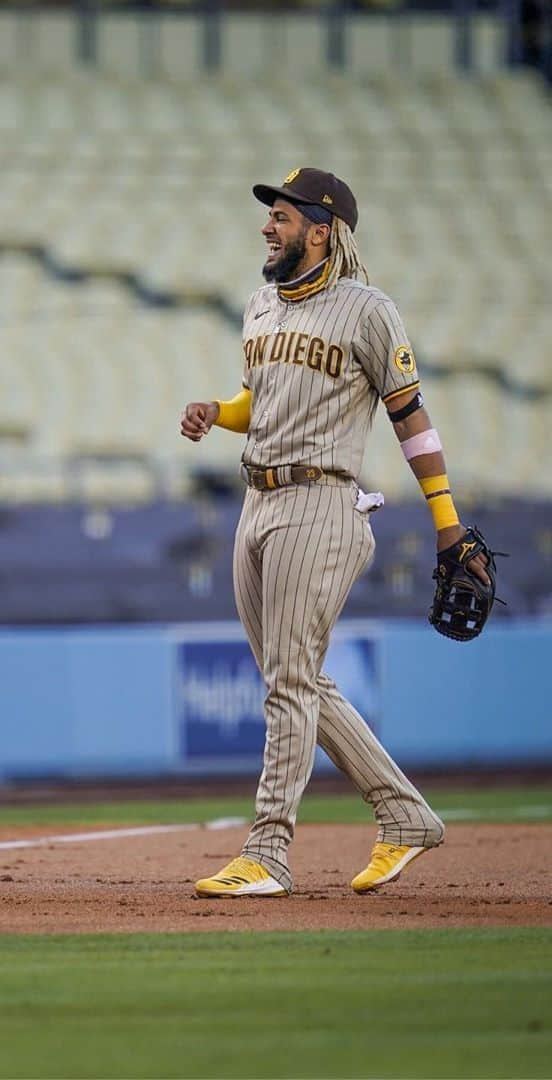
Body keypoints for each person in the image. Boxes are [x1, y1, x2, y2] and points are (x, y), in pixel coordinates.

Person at [180, 168, 490, 897]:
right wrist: (215, 412)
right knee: (298, 678)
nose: (268, 226)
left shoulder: (367, 311)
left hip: (322, 503)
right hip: (257, 501)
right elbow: (261, 400)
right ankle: (404, 814)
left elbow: (411, 418)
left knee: (288, 678)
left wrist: (449, 527)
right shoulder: (261, 305)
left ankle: (268, 851)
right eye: (271, 216)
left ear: (322, 232)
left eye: (282, 217)